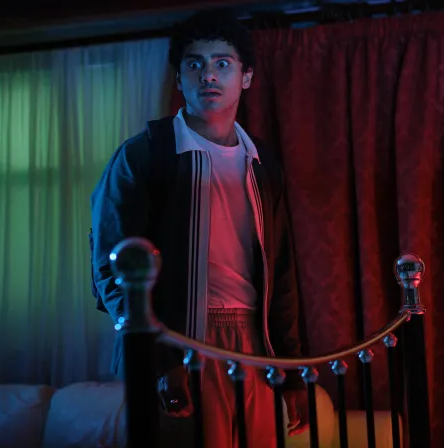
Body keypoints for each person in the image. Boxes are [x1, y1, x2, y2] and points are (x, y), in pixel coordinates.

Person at [89, 9, 309, 447]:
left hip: (255, 339)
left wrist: (292, 372)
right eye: (195, 64)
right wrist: (161, 360)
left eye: (222, 63)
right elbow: (113, 267)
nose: (208, 75)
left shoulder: (262, 164)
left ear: (246, 77)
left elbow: (281, 273)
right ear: (179, 78)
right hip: (177, 338)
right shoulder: (145, 155)